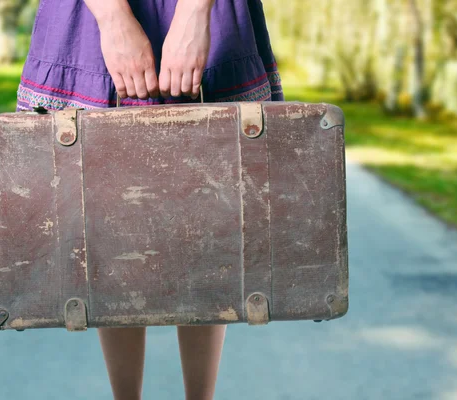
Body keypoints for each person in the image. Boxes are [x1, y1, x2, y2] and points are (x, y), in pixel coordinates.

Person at [16, 1, 283, 399]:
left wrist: (195, 13)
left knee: (208, 202)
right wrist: (112, 18)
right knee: (106, 211)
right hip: (88, 17)